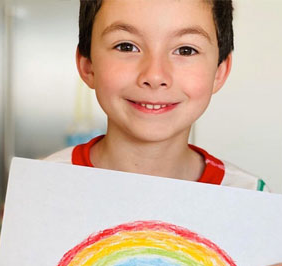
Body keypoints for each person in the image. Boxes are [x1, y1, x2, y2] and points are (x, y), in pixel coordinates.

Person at [43, 0, 270, 191]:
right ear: (88, 66)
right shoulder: (40, 185)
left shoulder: (253, 197)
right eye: (126, 47)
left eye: (186, 50)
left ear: (219, 72)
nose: (154, 75)